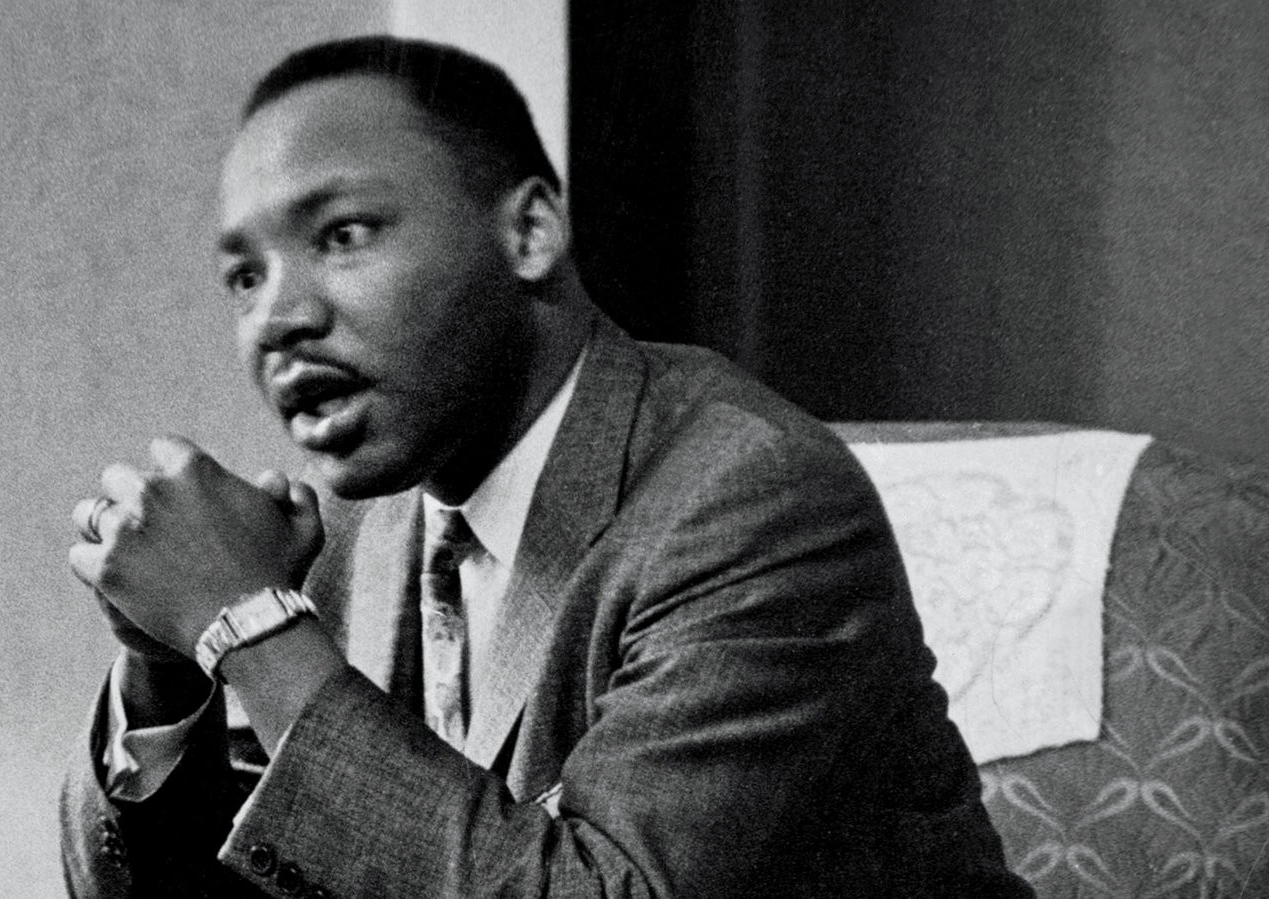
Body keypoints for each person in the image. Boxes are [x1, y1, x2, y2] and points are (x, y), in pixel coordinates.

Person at [61, 35, 1031, 898]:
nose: (276, 317)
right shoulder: (351, 525)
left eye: (343, 235)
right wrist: (165, 664)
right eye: (245, 276)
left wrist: (247, 622)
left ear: (528, 232)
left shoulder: (752, 499)